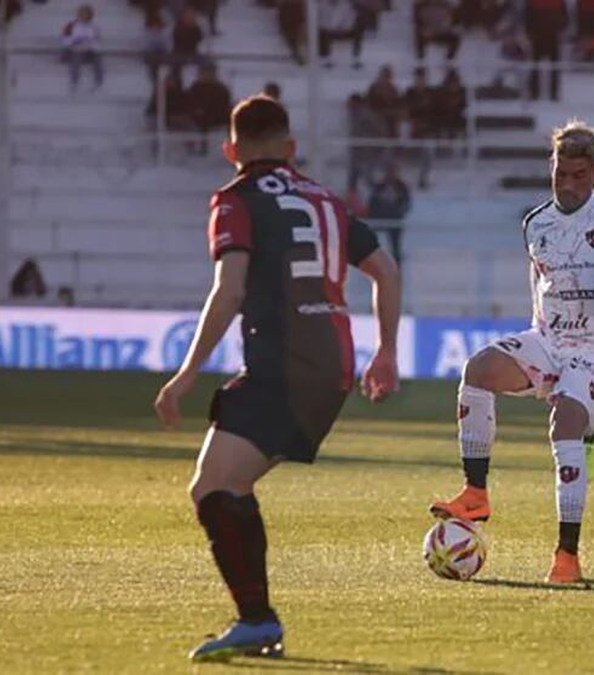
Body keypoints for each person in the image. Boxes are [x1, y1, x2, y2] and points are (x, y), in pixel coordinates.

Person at [153, 95, 401, 661]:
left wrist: (187, 373)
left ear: (230, 150)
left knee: (212, 488)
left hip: (281, 365)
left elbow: (230, 288)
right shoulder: (326, 198)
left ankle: (257, 620)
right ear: (291, 149)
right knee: (226, 486)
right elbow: (385, 269)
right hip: (331, 365)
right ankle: (257, 621)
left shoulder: (234, 200)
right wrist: (385, 353)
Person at [428, 121, 594, 585]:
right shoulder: (536, 223)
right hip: (548, 340)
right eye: (561, 174)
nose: (569, 184)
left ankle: (566, 557)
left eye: (579, 175)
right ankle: (476, 493)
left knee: (567, 423)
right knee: (478, 369)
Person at [525, 0, 567, 100]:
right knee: (548, 65)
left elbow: (528, 16)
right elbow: (564, 15)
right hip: (548, 35)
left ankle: (536, 92)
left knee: (538, 65)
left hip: (543, 35)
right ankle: (551, 93)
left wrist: (529, 30)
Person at [60, 5, 103, 92]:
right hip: (74, 50)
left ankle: (98, 82)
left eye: (87, 14)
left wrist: (92, 46)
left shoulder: (94, 27)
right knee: (76, 58)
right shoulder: (71, 25)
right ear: (78, 14)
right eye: (82, 14)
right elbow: (65, 40)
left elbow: (97, 42)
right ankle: (74, 83)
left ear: (91, 15)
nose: (84, 16)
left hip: (88, 51)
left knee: (98, 59)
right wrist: (74, 42)